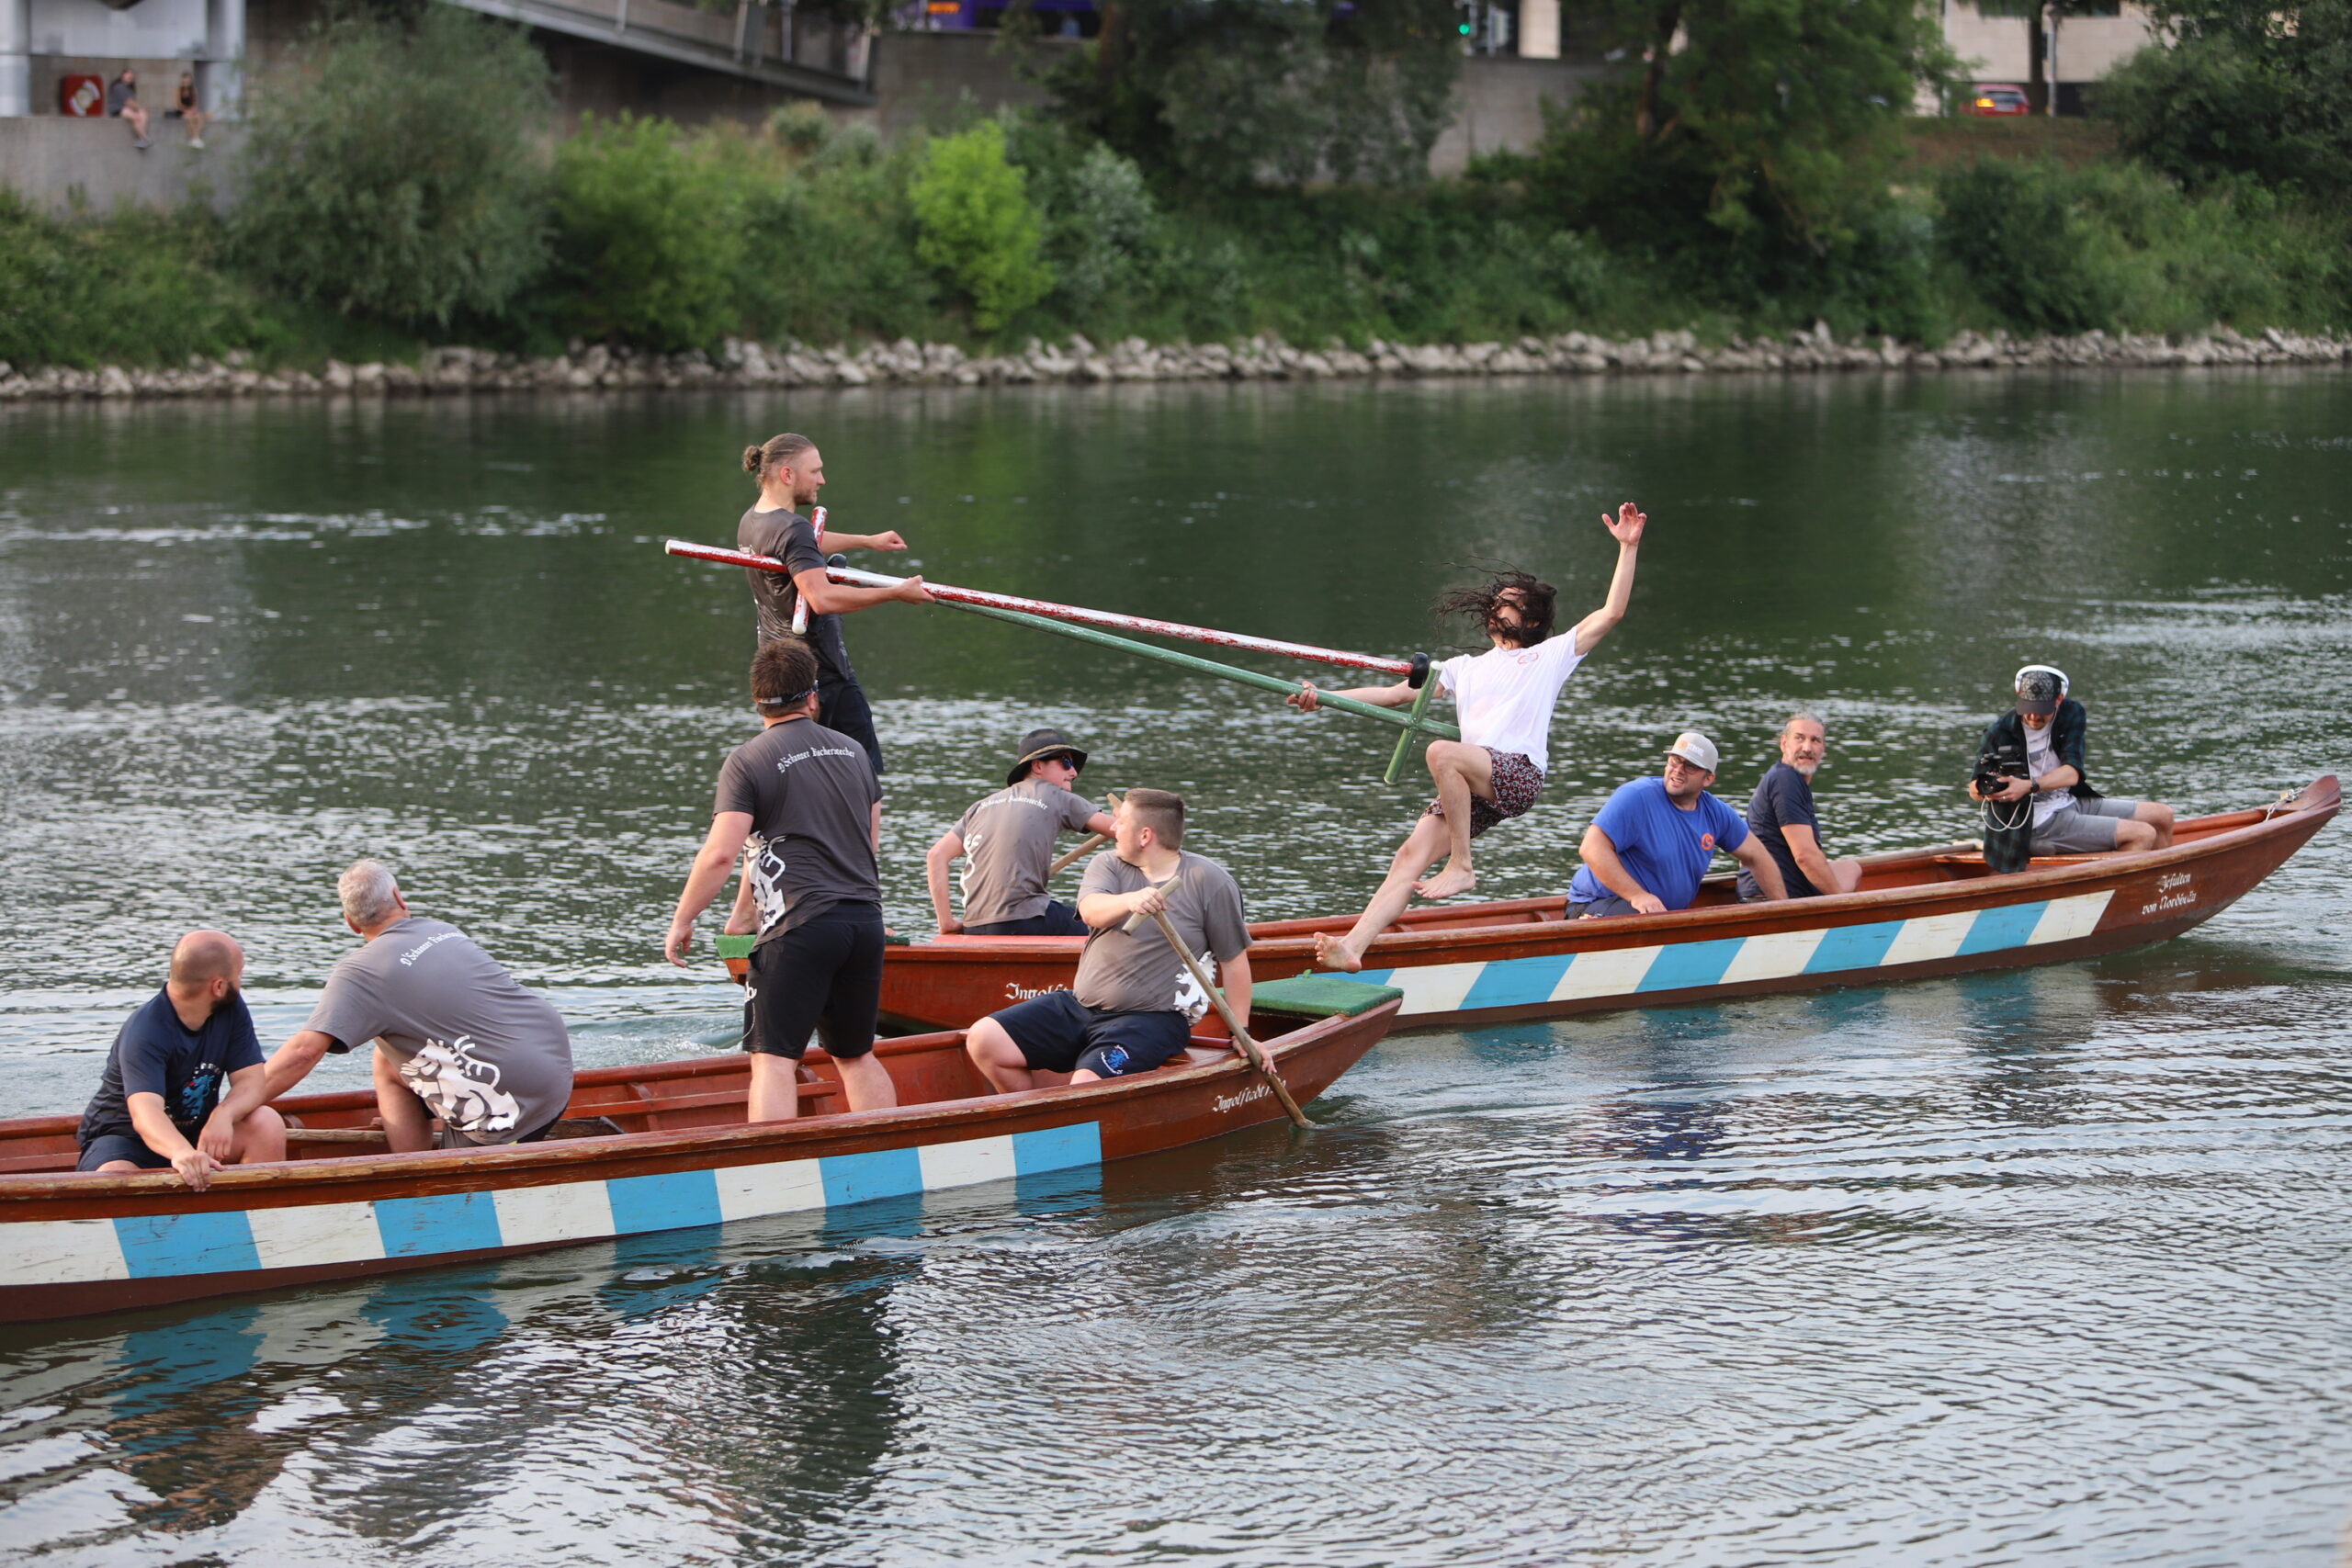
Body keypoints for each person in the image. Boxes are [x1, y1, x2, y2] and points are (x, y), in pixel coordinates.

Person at [1286, 502, 1649, 971]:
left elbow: (1612, 611)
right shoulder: (1463, 669)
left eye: (1513, 603)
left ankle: (1462, 865)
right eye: (1501, 600)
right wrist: (1326, 696)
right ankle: (1354, 948)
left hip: (1516, 774)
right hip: (1470, 782)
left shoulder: (1553, 655)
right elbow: (1396, 694)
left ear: (1532, 621)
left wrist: (1628, 547)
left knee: (1442, 752)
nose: (1501, 606)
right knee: (1408, 857)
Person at [667, 637, 898, 1121]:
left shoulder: (747, 761)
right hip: (863, 923)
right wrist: (742, 918)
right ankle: (890, 1156)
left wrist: (683, 919)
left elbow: (722, 854)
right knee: (856, 1054)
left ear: (756, 703)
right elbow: (866, 844)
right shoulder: (855, 752)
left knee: (772, 1060)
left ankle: (769, 1171)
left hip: (800, 929)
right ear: (812, 697)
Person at [263, 862, 575, 1150]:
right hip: (556, 1073)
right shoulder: (441, 930)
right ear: (399, 899)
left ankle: (418, 1181)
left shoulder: (359, 972)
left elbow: (303, 1052)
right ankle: (412, 1154)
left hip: (511, 1113)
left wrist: (233, 1104)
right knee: (386, 1060)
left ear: (351, 923)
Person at [964, 788, 1250, 1091]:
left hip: (1152, 1020)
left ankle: (1061, 1125)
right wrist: (1131, 901)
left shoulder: (1210, 881)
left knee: (1085, 1085)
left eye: (1120, 821)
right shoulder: (1108, 865)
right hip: (1081, 1008)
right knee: (985, 1039)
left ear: (1145, 836)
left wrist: (1241, 1032)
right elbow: (1091, 911)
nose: (1112, 828)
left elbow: (1233, 961)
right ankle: (1035, 1124)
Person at [738, 433, 929, 776]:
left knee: (799, 773)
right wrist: (896, 592)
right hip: (821, 671)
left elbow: (803, 545)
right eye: (815, 471)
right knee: (863, 776)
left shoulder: (754, 520)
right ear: (787, 474)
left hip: (780, 669)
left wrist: (866, 542)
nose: (822, 480)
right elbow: (822, 598)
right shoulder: (792, 527)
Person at [76, 931, 284, 1188]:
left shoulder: (231, 1009)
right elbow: (146, 1113)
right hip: (127, 1139)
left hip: (195, 1132)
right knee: (114, 1174)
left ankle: (259, 1217)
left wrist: (224, 1114)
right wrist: (181, 1152)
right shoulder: (145, 1031)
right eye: (239, 974)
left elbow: (252, 1081)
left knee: (266, 1122)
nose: (241, 982)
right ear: (218, 986)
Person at [1968, 665, 2175, 872]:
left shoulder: (2070, 714)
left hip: (2068, 801)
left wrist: (2029, 786)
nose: (2033, 717)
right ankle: (2121, 895)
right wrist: (1989, 790)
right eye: (2028, 709)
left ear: (2058, 700)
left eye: (2042, 711)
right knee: (2143, 834)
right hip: (2034, 824)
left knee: (2162, 814)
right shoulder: (1999, 732)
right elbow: (1974, 791)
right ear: (2019, 694)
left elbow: (2071, 774)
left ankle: (2165, 882)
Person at [1568, 732, 1789, 916]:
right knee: (1650, 921)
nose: (1678, 770)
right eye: (1675, 760)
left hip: (1660, 915)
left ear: (1708, 779)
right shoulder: (1636, 797)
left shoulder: (1716, 812)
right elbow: (1591, 848)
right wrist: (1637, 895)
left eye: (1690, 766)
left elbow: (1758, 856)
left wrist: (1784, 911)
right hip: (1596, 904)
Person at [926, 727, 1116, 936]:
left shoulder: (980, 806)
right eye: (1066, 763)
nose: (1073, 773)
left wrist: (946, 923)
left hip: (974, 925)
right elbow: (1125, 832)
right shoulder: (1054, 794)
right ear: (1037, 766)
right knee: (1107, 928)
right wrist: (1126, 816)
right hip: (1026, 919)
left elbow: (936, 855)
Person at [1738, 713, 1863, 900]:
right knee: (1847, 870)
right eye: (1799, 738)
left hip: (1769, 891)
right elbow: (1805, 856)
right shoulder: (1785, 780)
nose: (1807, 748)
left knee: (1849, 868)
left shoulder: (1785, 779)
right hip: (1769, 899)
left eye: (1815, 740)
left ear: (1823, 749)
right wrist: (1843, 904)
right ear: (1783, 743)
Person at [106, 69, 151, 151]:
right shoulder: (119, 86)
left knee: (142, 113)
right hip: (117, 109)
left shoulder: (129, 89)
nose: (130, 78)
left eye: (131, 77)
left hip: (126, 109)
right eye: (128, 75)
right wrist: (139, 108)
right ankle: (144, 137)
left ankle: (142, 135)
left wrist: (141, 110)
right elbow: (128, 102)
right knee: (135, 116)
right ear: (123, 76)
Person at [170, 72, 207, 149]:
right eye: (184, 81)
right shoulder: (178, 90)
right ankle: (194, 138)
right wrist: (186, 110)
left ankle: (196, 138)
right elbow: (178, 104)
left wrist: (193, 110)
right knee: (190, 118)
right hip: (182, 111)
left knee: (199, 117)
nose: (186, 82)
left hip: (191, 110)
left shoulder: (193, 90)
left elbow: (195, 103)